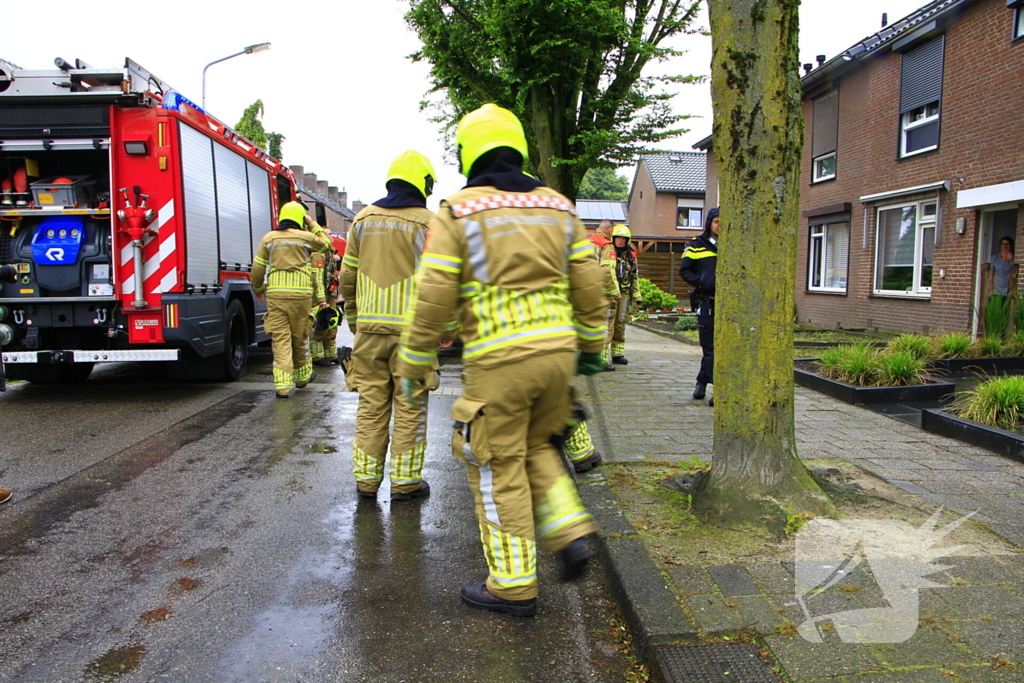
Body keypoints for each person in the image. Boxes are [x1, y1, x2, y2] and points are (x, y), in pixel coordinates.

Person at [395, 103, 607, 617]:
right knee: (539, 446)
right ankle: (571, 529)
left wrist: (414, 361)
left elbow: (435, 293)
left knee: (494, 465)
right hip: (556, 357)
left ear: (469, 152)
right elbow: (588, 281)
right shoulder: (558, 205)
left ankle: (511, 585)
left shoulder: (459, 210)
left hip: (499, 363)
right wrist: (592, 349)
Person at [340, 150, 437, 501]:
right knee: (410, 406)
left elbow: (347, 274)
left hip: (369, 332)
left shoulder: (363, 219)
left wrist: (355, 319)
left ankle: (366, 482)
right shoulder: (430, 223)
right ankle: (405, 483)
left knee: (371, 404)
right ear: (423, 183)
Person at [252, 201, 330, 398]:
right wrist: (311, 223)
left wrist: (258, 287)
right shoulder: (306, 237)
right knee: (300, 336)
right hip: (301, 295)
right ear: (299, 218)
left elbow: (258, 266)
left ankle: (283, 387)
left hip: (276, 295)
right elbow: (326, 243)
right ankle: (302, 377)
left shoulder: (269, 238)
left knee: (280, 340)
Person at [679, 206, 718, 406]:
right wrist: (703, 282)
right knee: (709, 347)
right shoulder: (697, 245)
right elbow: (684, 270)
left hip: (729, 303)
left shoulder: (735, 244)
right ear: (709, 223)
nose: (720, 226)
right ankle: (703, 382)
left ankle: (713, 387)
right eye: (717, 221)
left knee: (723, 349)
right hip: (707, 301)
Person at [311, 233, 347, 367]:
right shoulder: (317, 255)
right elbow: (317, 279)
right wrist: (321, 299)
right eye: (328, 234)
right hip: (321, 297)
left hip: (329, 295)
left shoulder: (330, 255)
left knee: (331, 325)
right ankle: (317, 357)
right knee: (321, 325)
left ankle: (331, 354)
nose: (332, 236)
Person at [589, 219, 620, 371]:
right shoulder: (606, 245)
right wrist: (615, 292)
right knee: (605, 326)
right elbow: (607, 271)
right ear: (610, 231)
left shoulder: (585, 242)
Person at [608, 224, 641, 365]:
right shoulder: (607, 253)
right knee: (607, 324)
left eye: (624, 238)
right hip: (609, 294)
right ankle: (601, 355)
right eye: (618, 238)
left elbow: (634, 277)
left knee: (620, 323)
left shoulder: (630, 257)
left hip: (624, 294)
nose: (621, 240)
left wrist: (637, 296)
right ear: (613, 238)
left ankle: (618, 353)